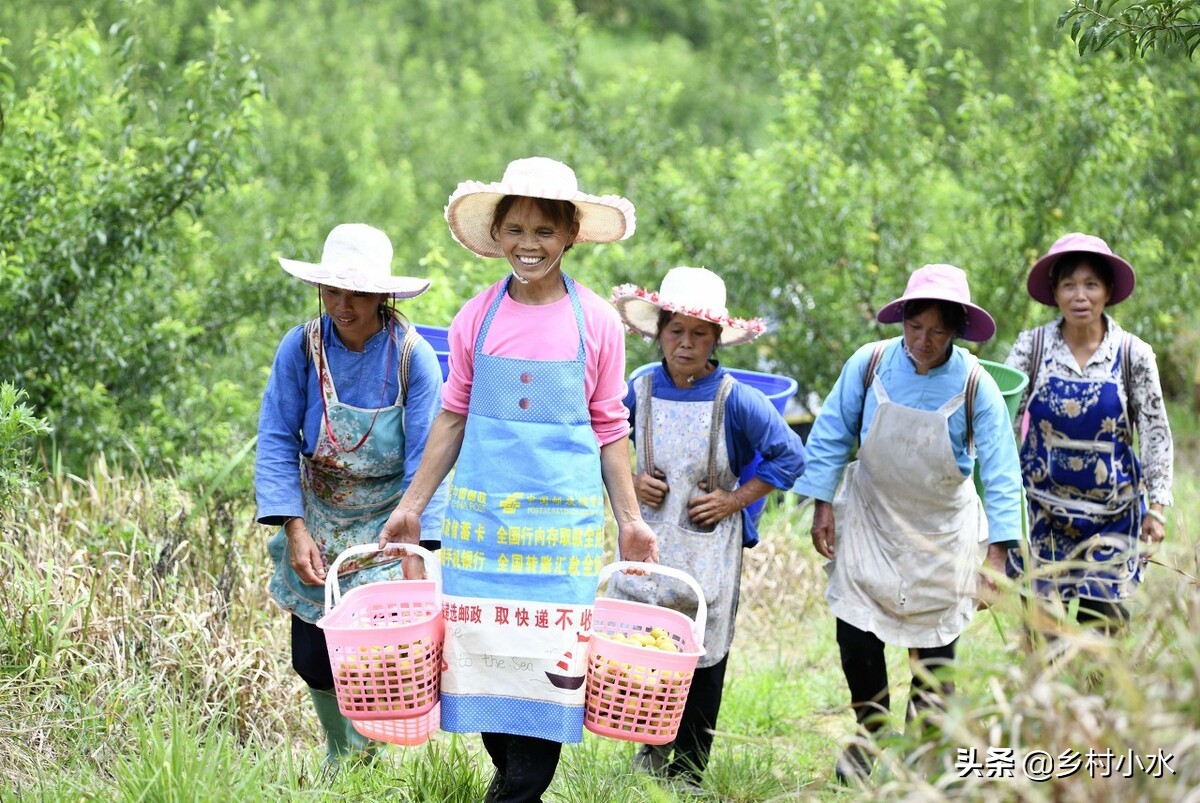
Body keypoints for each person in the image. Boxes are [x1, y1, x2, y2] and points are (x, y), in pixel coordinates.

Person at [377, 157, 658, 803]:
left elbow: (610, 427)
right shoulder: (476, 317)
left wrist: (631, 521)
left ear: (568, 236)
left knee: (547, 681)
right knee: (487, 676)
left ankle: (516, 792)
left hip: (561, 534)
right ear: (497, 234)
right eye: (516, 229)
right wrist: (412, 506)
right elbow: (452, 416)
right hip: (485, 532)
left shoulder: (598, 322)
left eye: (544, 231)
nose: (528, 245)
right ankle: (512, 784)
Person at [794, 263, 1023, 781]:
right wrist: (822, 503)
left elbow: (1002, 469)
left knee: (937, 643)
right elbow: (831, 432)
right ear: (902, 322)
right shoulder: (869, 363)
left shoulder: (975, 386)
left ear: (957, 331)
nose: (924, 340)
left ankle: (926, 752)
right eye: (916, 327)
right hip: (872, 516)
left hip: (942, 527)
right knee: (855, 631)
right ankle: (869, 734)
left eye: (938, 331)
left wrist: (998, 556)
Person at [254, 223, 448, 767]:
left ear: (383, 294)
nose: (344, 304)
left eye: (358, 292)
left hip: (390, 522)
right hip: (318, 516)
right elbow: (275, 434)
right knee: (313, 658)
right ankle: (341, 749)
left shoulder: (414, 359)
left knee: (374, 659)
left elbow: (426, 462)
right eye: (333, 291)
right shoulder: (301, 347)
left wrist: (415, 551)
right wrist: (294, 528)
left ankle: (359, 763)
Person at [607, 266, 807, 788]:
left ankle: (691, 769)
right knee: (649, 650)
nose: (686, 344)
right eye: (676, 331)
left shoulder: (735, 399)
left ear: (717, 339)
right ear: (658, 333)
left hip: (709, 546)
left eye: (700, 334)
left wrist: (735, 499)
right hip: (651, 540)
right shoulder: (640, 389)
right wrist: (629, 481)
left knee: (703, 654)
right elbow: (603, 440)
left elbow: (789, 456)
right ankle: (650, 752)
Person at [1005, 232, 1172, 633]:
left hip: (1113, 516)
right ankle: (1043, 697)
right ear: (1055, 292)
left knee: (1104, 634)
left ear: (1108, 291)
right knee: (1043, 637)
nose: (1080, 296)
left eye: (1091, 284)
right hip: (1042, 514)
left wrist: (1158, 508)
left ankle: (1102, 697)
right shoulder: (1033, 346)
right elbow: (1003, 421)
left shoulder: (1133, 354)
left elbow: (1154, 430)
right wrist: (999, 504)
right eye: (1069, 285)